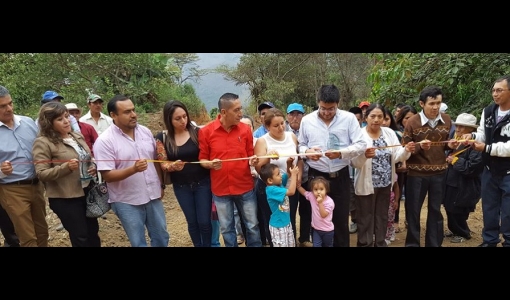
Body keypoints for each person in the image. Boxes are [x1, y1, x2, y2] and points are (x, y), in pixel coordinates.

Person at [93, 94, 169, 247]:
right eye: (127, 112)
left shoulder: (145, 132)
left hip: (152, 195)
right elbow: (107, 175)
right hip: (126, 201)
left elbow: (155, 162)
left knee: (161, 237)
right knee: (138, 242)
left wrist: (161, 185)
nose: (133, 115)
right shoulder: (104, 141)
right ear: (113, 115)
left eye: (133, 110)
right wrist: (133, 169)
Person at [298, 84, 367, 247]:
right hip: (317, 177)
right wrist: (307, 151)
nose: (327, 112)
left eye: (331, 109)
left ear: (338, 103)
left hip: (340, 175)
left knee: (341, 219)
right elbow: (300, 145)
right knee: (319, 219)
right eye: (323, 108)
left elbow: (361, 144)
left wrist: (341, 153)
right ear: (318, 103)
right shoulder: (307, 121)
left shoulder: (349, 119)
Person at [32, 101, 101, 247]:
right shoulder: (43, 142)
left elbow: (88, 158)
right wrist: (65, 168)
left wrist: (93, 166)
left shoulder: (76, 136)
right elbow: (42, 173)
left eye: (66, 116)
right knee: (80, 236)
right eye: (59, 119)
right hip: (65, 198)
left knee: (93, 232)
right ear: (48, 123)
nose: (66, 121)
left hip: (86, 191)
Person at [198, 92, 261, 247]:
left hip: (245, 187)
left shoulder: (245, 130)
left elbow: (250, 155)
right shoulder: (206, 132)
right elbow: (202, 160)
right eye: (236, 110)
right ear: (224, 112)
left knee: (252, 226)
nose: (241, 113)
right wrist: (210, 164)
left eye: (241, 108)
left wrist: (253, 160)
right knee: (227, 229)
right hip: (220, 190)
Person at [351, 103, 414, 247]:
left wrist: (406, 150)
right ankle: (365, 243)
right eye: (373, 116)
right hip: (366, 185)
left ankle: (380, 242)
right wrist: (365, 156)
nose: (376, 120)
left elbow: (397, 155)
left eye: (380, 116)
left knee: (382, 216)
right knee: (365, 217)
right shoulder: (359, 135)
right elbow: (354, 163)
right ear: (366, 117)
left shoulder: (389, 133)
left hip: (385, 183)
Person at [461, 75, 510, 247]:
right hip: (490, 168)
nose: (495, 94)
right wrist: (472, 136)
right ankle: (489, 241)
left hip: (508, 171)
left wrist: (487, 148)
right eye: (493, 90)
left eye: (499, 90)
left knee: (508, 210)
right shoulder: (488, 111)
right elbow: (482, 133)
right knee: (489, 207)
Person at [155, 100, 212, 247]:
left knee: (205, 221)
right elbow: (163, 163)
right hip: (181, 187)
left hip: (203, 183)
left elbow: (207, 154)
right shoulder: (162, 138)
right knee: (192, 222)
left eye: (184, 116)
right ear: (169, 120)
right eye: (177, 118)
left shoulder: (197, 133)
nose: (183, 121)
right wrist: (171, 166)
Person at [402, 85, 452, 247]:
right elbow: (405, 148)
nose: (435, 107)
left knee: (435, 210)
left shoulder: (447, 120)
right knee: (414, 212)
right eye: (431, 103)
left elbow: (446, 146)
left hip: (439, 173)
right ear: (422, 104)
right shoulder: (412, 122)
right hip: (416, 174)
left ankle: (434, 244)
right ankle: (412, 244)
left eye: (438, 103)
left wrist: (451, 145)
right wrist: (418, 146)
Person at [0, 85, 49, 247]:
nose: (9, 109)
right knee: (27, 237)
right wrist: (1, 170)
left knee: (42, 231)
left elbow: (42, 148)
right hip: (12, 190)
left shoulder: (27, 122)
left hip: (36, 186)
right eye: (2, 106)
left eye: (10, 103)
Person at [254, 108, 303, 246]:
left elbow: (299, 158)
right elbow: (259, 169)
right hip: (270, 190)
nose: (281, 127)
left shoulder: (292, 137)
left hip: (290, 184)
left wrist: (298, 174)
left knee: (290, 218)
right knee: (272, 220)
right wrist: (268, 157)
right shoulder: (262, 141)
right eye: (276, 125)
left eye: (282, 123)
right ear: (267, 126)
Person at [443, 113, 483, 243]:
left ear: (471, 130)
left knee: (458, 210)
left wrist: (455, 161)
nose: (458, 129)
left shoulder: (476, 145)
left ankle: (463, 233)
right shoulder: (456, 141)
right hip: (451, 182)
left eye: (462, 127)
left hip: (465, 185)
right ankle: (454, 230)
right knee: (449, 207)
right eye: (457, 126)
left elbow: (472, 168)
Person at [286, 102, 313, 247]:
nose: (295, 117)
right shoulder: (283, 131)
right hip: (289, 179)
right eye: (292, 114)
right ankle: (291, 239)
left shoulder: (308, 130)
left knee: (306, 208)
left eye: (298, 114)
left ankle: (304, 238)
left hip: (307, 176)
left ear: (303, 116)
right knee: (289, 209)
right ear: (287, 116)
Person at [259, 161, 299, 247]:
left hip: (286, 223)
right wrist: (294, 175)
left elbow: (288, 173)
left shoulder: (278, 183)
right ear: (270, 180)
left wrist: (289, 163)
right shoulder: (271, 190)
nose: (280, 175)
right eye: (278, 174)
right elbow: (291, 191)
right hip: (278, 227)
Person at [394, 105, 418, 232]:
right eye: (407, 117)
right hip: (399, 168)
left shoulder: (419, 131)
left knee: (412, 195)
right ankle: (395, 221)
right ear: (401, 119)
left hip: (415, 167)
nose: (410, 120)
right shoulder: (396, 132)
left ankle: (410, 220)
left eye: (413, 117)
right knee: (396, 194)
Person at [296, 176, 335, 247]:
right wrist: (298, 186)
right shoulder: (311, 196)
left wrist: (320, 203)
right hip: (316, 230)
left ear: (326, 190)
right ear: (312, 190)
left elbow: (323, 215)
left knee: (328, 245)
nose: (318, 192)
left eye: (321, 189)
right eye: (316, 189)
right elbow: (304, 192)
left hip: (327, 231)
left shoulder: (329, 202)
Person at [347, 106, 363, 234]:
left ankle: (362, 222)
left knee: (362, 199)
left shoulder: (364, 133)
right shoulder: (346, 132)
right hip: (349, 173)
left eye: (358, 119)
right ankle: (354, 220)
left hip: (362, 172)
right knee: (351, 199)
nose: (356, 122)